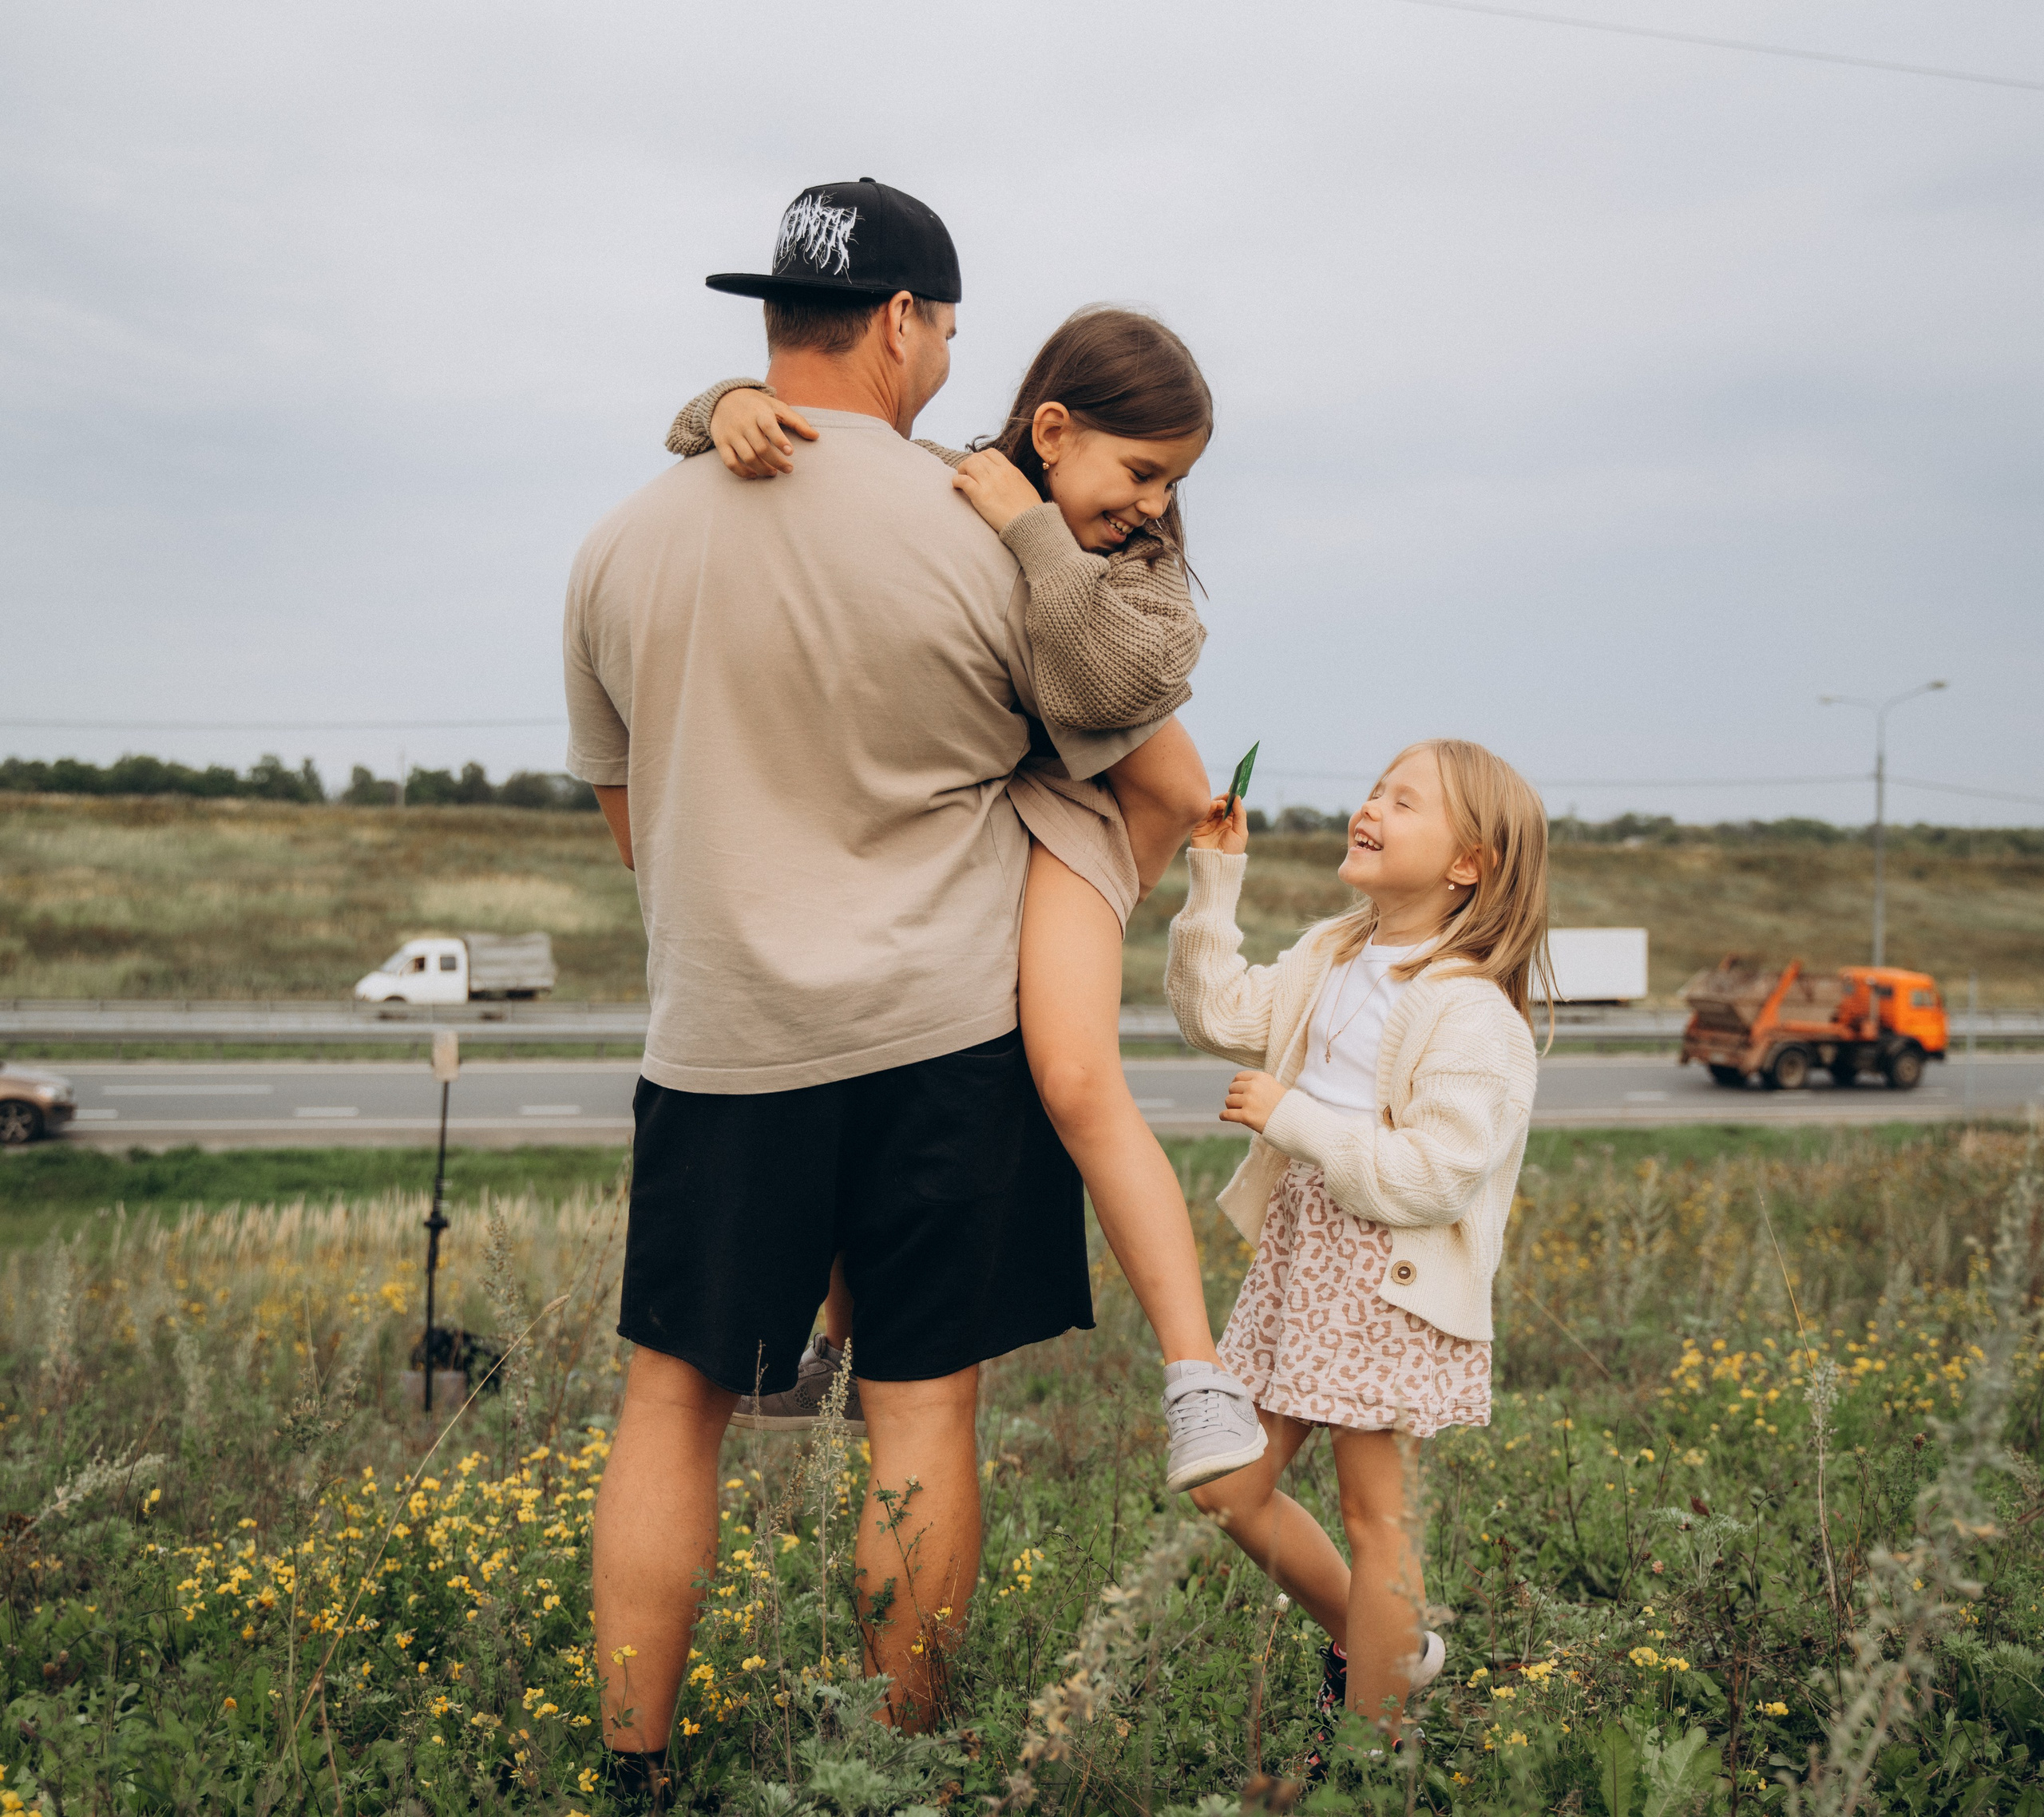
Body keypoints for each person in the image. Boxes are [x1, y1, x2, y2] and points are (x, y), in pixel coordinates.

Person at [562, 179, 1194, 1800]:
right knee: (916, 1418)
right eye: (947, 332)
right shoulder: (991, 543)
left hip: (719, 1047)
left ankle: (634, 1770)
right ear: (904, 322)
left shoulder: (620, 543)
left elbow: (635, 830)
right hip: (942, 1046)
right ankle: (892, 1770)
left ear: (775, 321)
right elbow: (1151, 763)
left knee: (671, 1405)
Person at [665, 307, 1268, 1494]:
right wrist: (724, 404)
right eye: (1141, 471)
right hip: (995, 815)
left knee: (1077, 1079)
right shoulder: (952, 485)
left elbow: (1106, 686)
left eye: (1173, 482)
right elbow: (816, 453)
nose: (1155, 505)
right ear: (1051, 427)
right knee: (866, 1045)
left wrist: (1037, 536)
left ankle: (1200, 1379)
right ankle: (838, 1352)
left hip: (1082, 828)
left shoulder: (1142, 580)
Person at [1165, 738, 1551, 1781]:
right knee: (1228, 1487)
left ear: (1467, 862)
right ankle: (1388, 1654)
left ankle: (1373, 1757)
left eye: (1403, 800)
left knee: (1380, 1515)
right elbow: (1216, 1012)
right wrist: (1215, 880)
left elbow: (1440, 1174)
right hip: (1304, 1260)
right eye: (1374, 789)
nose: (1370, 806)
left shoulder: (1472, 1009)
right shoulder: (1336, 950)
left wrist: (1301, 1122)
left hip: (1391, 1275)